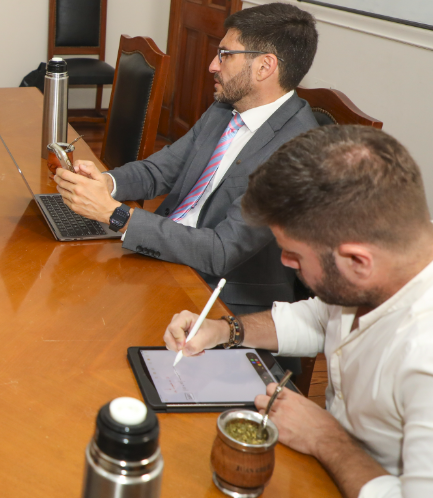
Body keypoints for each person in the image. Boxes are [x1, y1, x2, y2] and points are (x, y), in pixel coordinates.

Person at [164, 125, 433, 498]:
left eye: (294, 255)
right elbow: (320, 318)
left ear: (358, 261)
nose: (285, 264)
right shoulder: (381, 265)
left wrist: (324, 437)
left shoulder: (423, 355)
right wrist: (225, 330)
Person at [54, 2, 319, 313]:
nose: (212, 65)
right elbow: (160, 170)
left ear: (264, 66)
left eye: (225, 54)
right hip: (167, 252)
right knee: (64, 289)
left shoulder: (298, 150)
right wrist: (106, 183)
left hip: (218, 296)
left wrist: (117, 215)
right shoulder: (225, 108)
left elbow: (222, 251)